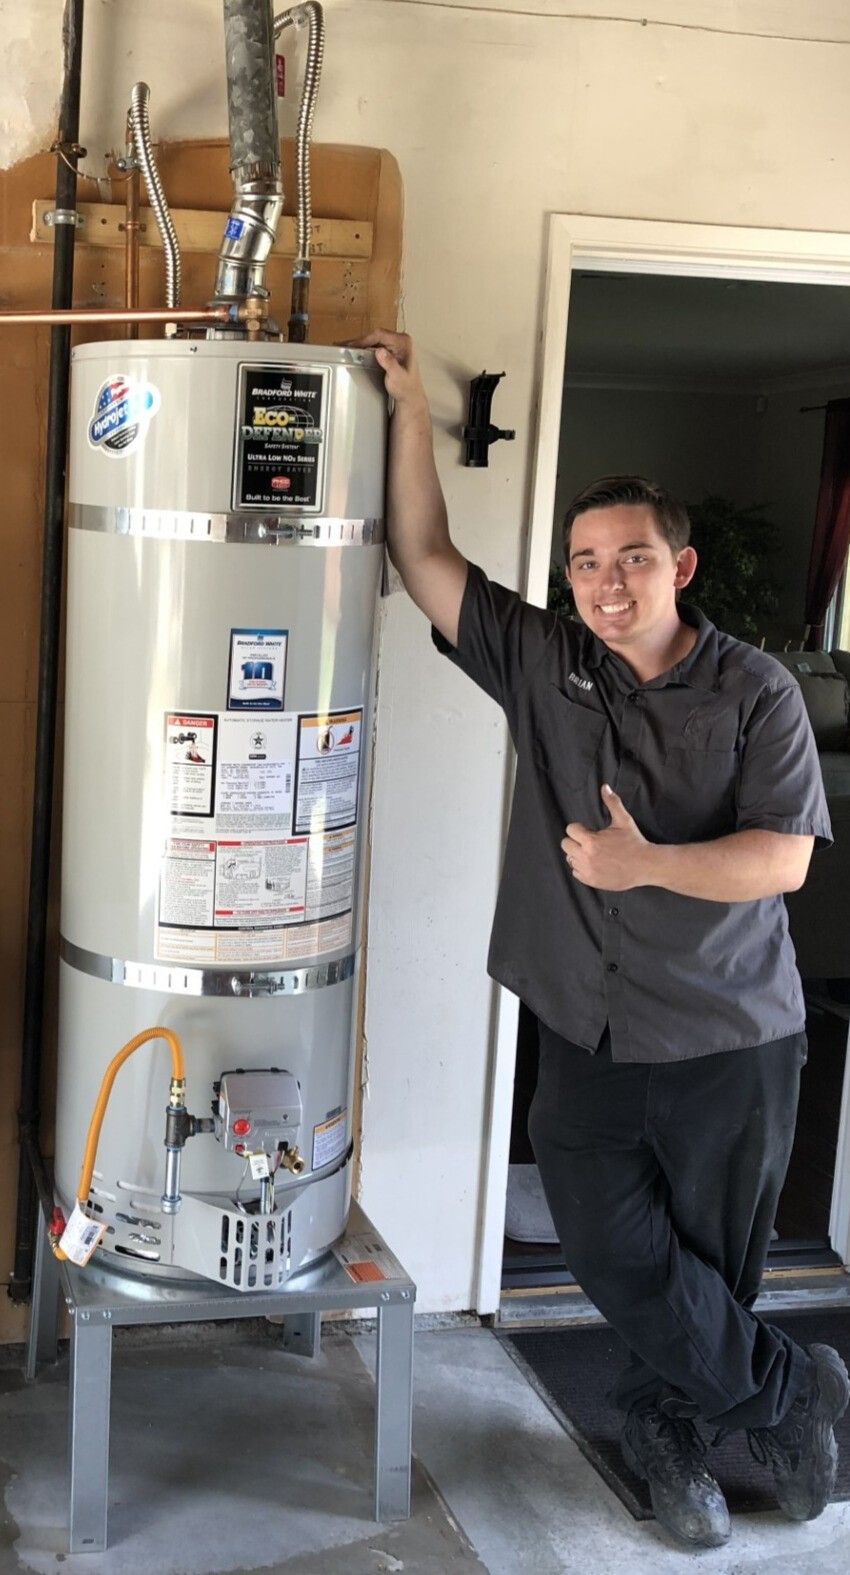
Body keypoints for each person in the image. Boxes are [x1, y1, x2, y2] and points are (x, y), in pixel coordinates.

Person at [356, 327, 850, 1549]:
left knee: (706, 1261)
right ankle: (792, 1393)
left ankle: (669, 1434)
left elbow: (781, 858)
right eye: (584, 561)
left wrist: (644, 866)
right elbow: (422, 555)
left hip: (730, 1039)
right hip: (583, 1024)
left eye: (632, 557)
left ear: (680, 564)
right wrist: (410, 406)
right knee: (607, 1241)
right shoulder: (544, 662)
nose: (605, 581)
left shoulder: (756, 695)